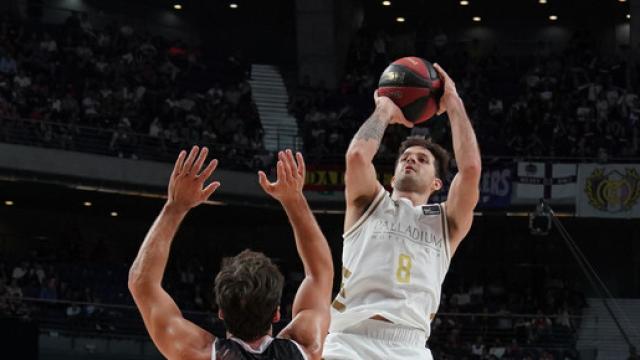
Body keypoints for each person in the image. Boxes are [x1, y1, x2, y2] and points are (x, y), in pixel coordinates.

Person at [322, 63, 481, 359]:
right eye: (406, 157)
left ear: (436, 183)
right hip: (348, 341)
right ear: (392, 178)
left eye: (422, 159)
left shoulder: (447, 222)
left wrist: (454, 103)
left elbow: (471, 170)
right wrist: (385, 108)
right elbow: (357, 156)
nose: (411, 161)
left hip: (409, 346)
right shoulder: (368, 203)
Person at [128, 146, 333, 360]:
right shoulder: (306, 347)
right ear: (277, 314)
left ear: (221, 312)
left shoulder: (198, 353)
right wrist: (294, 200)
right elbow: (320, 273)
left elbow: (142, 282)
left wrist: (175, 206)